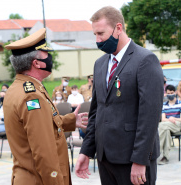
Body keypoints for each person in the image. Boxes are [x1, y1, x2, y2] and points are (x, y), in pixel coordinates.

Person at [75, 6, 164, 185]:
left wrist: (140, 160)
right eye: (95, 35)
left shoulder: (145, 60)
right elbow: (96, 112)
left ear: (118, 28)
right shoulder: (100, 64)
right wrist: (86, 151)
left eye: (101, 33)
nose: (98, 40)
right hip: (106, 157)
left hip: (132, 159)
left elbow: (150, 115)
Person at [3, 28, 88, 185]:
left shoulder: (18, 88)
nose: (50, 58)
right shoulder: (32, 95)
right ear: (36, 63)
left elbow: (37, 126)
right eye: (46, 55)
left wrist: (69, 121)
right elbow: (44, 152)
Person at [158, 85, 181, 165]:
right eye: (168, 93)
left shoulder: (180, 103)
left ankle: (157, 151)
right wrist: (170, 119)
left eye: (172, 93)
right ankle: (165, 158)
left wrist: (173, 118)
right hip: (167, 125)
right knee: (165, 130)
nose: (170, 95)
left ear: (175, 92)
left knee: (161, 125)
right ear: (166, 93)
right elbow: (163, 119)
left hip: (177, 124)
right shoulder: (164, 105)